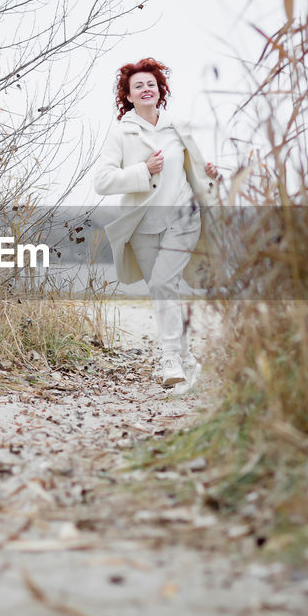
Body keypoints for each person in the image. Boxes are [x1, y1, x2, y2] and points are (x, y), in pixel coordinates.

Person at [94, 58, 219, 386]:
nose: (146, 89)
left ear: (160, 90)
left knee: (164, 283)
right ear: (129, 96)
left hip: (183, 218)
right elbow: (103, 182)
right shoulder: (122, 133)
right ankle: (187, 361)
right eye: (138, 86)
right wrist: (143, 171)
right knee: (163, 289)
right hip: (143, 228)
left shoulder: (178, 126)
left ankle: (169, 360)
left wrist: (210, 174)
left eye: (151, 84)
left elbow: (196, 168)